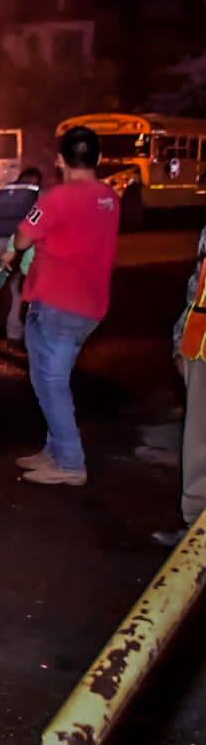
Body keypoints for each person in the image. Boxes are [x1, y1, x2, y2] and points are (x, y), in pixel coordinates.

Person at [0, 126, 119, 487]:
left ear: (60, 160)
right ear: (97, 159)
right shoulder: (110, 198)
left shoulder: (56, 199)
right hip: (90, 305)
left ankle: (70, 461)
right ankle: (54, 450)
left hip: (56, 303)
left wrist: (14, 249)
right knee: (47, 378)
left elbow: (23, 236)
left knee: (52, 383)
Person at [159, 222, 206, 544]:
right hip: (199, 348)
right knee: (198, 443)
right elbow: (197, 287)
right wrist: (180, 342)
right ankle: (195, 531)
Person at [0, 167, 42, 341]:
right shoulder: (36, 192)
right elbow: (38, 220)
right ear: (35, 180)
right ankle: (14, 330)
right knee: (16, 285)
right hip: (17, 240)